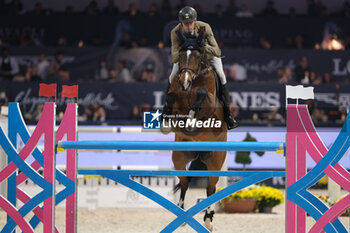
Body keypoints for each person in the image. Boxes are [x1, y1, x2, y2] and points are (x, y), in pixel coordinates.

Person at [163, 6, 238, 130]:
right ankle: (166, 109)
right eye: (185, 23)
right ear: (181, 23)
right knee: (172, 76)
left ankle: (227, 113)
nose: (188, 26)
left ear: (195, 20)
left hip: (207, 56)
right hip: (186, 58)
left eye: (190, 22)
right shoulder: (175, 32)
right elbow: (175, 58)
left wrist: (202, 46)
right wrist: (186, 47)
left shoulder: (204, 27)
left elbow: (217, 51)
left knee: (221, 75)